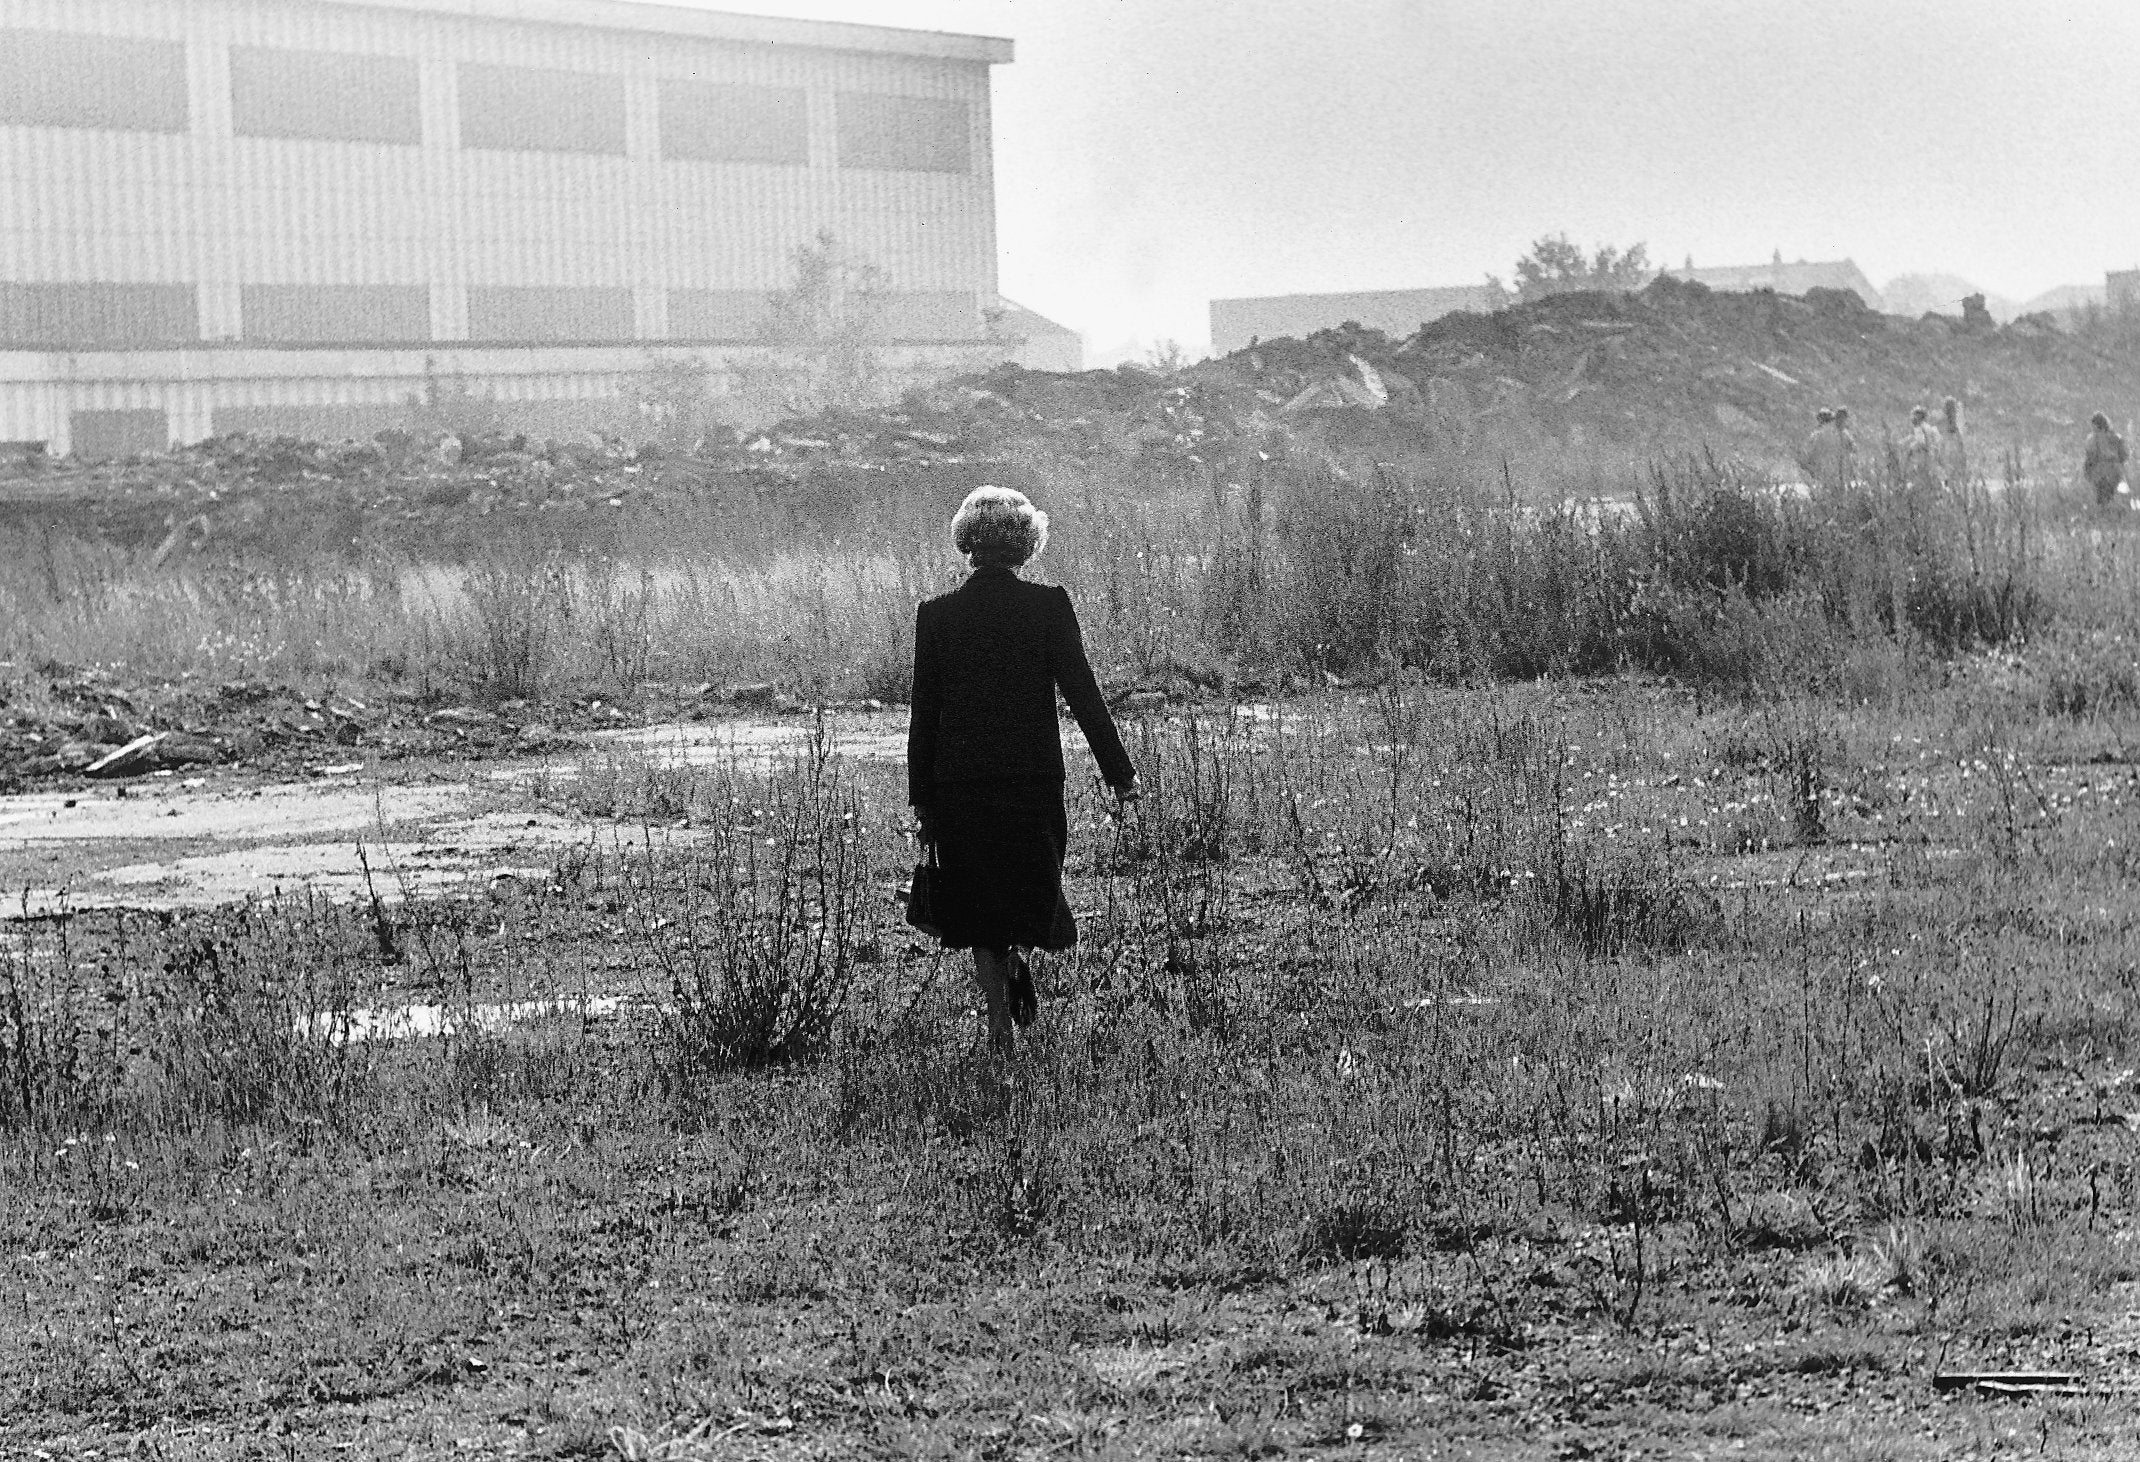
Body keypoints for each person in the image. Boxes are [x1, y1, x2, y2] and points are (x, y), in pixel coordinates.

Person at [908, 486, 1139, 1052]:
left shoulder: (937, 616)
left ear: (967, 543)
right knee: (1031, 888)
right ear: (1025, 544)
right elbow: (1084, 694)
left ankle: (998, 1011)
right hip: (1032, 780)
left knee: (978, 903)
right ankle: (1009, 987)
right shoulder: (1049, 607)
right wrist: (1119, 771)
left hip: (959, 785)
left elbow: (925, 715)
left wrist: (922, 799)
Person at [2083, 412, 2128, 508]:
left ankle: (2104, 513)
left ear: (2095, 425)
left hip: (2101, 470)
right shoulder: (2117, 437)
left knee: (2101, 495)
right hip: (2116, 470)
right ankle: (2112, 513)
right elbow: (2124, 455)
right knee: (2111, 494)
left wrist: (2087, 470)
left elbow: (2091, 456)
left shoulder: (2093, 438)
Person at [1902, 405, 1941, 490]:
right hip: (1919, 452)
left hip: (1924, 452)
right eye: (1914, 414)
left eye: (1917, 415)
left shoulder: (1924, 427)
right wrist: (1903, 442)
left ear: (1921, 416)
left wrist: (1916, 446)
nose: (1914, 417)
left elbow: (1925, 440)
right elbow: (1913, 436)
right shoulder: (1917, 427)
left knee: (1923, 470)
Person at [1937, 397, 1967, 487]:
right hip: (1949, 446)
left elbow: (1957, 435)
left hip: (1952, 446)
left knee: (1953, 472)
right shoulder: (1945, 420)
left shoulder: (1954, 419)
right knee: (1950, 473)